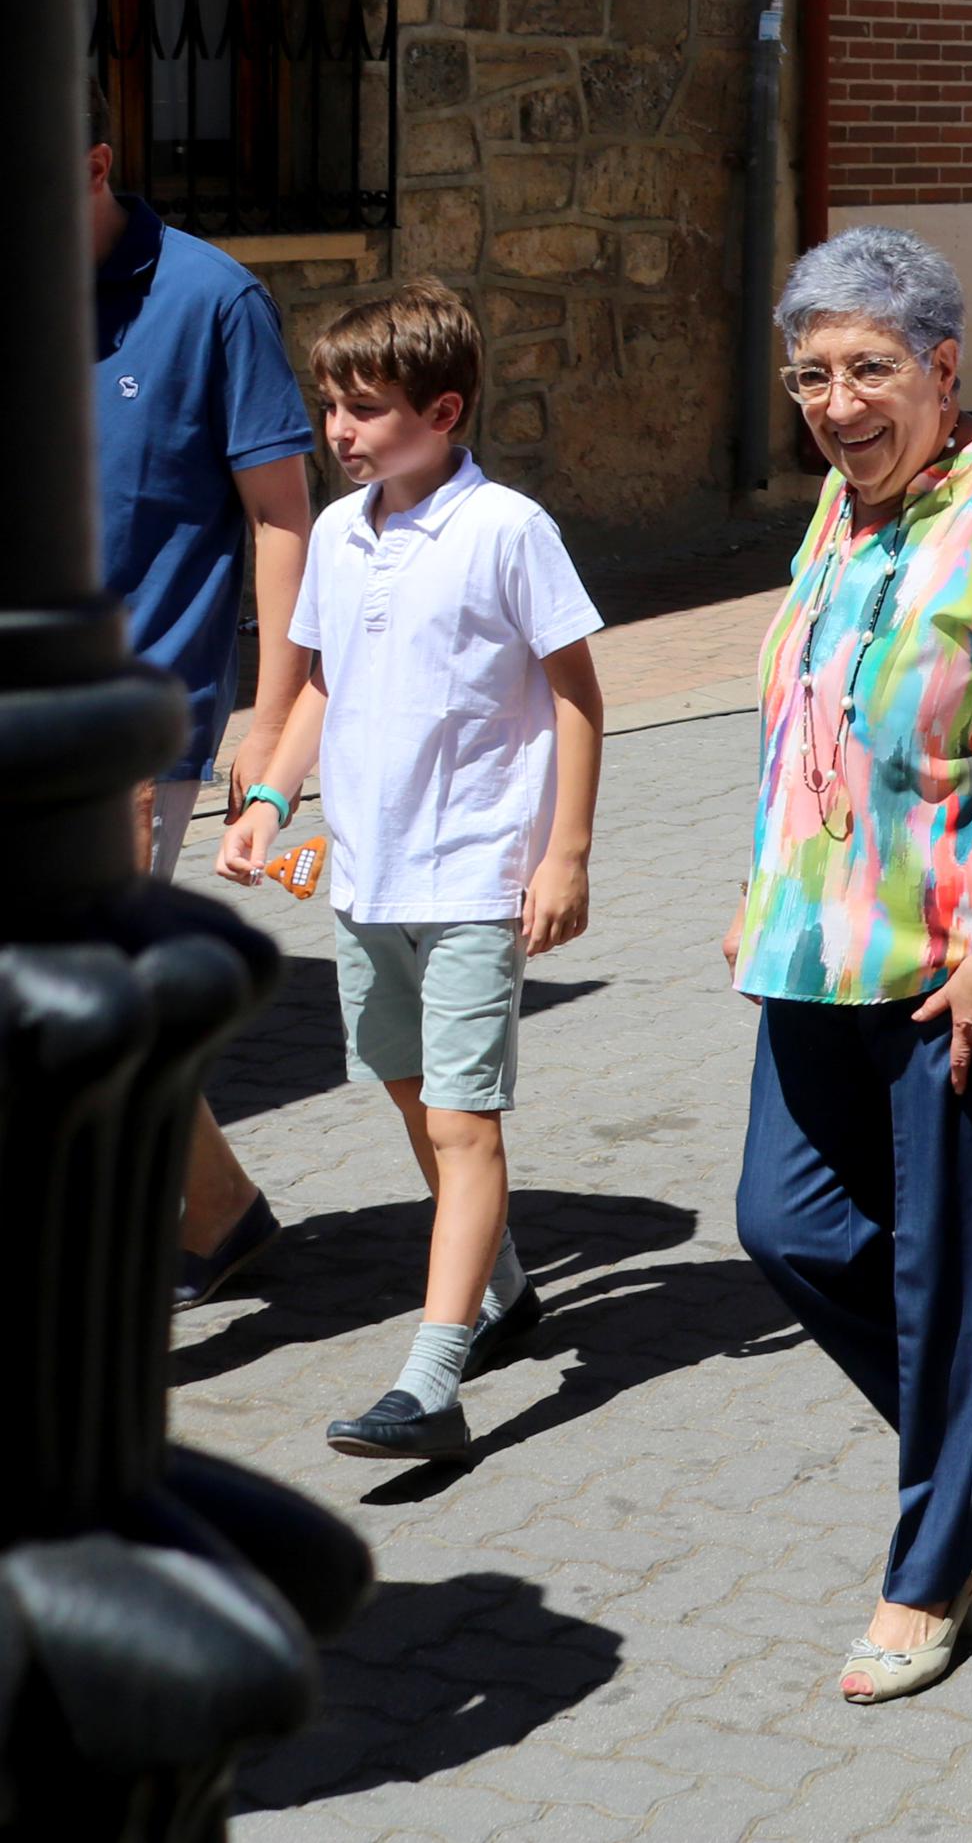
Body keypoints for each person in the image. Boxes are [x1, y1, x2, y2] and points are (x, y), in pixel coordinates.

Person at [717, 229, 972, 1704]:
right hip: (815, 952)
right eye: (810, 371)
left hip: (962, 972)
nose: (836, 399)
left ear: (945, 365)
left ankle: (930, 1570)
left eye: (869, 368)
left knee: (953, 1279)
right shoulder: (845, 501)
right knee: (783, 1224)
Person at [218, 283, 604, 1464]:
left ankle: (432, 1376)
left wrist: (563, 853)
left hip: (475, 876)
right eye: (330, 405)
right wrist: (272, 800)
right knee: (405, 1091)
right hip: (367, 880)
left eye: (366, 409)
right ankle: (505, 1283)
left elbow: (577, 692)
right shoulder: (339, 534)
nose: (339, 430)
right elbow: (323, 684)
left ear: (444, 409)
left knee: (462, 1120)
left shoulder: (507, 530)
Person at [92, 117, 317, 1307]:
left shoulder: (210, 299)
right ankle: (217, 1207)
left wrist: (273, 723)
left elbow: (281, 517)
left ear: (94, 162)